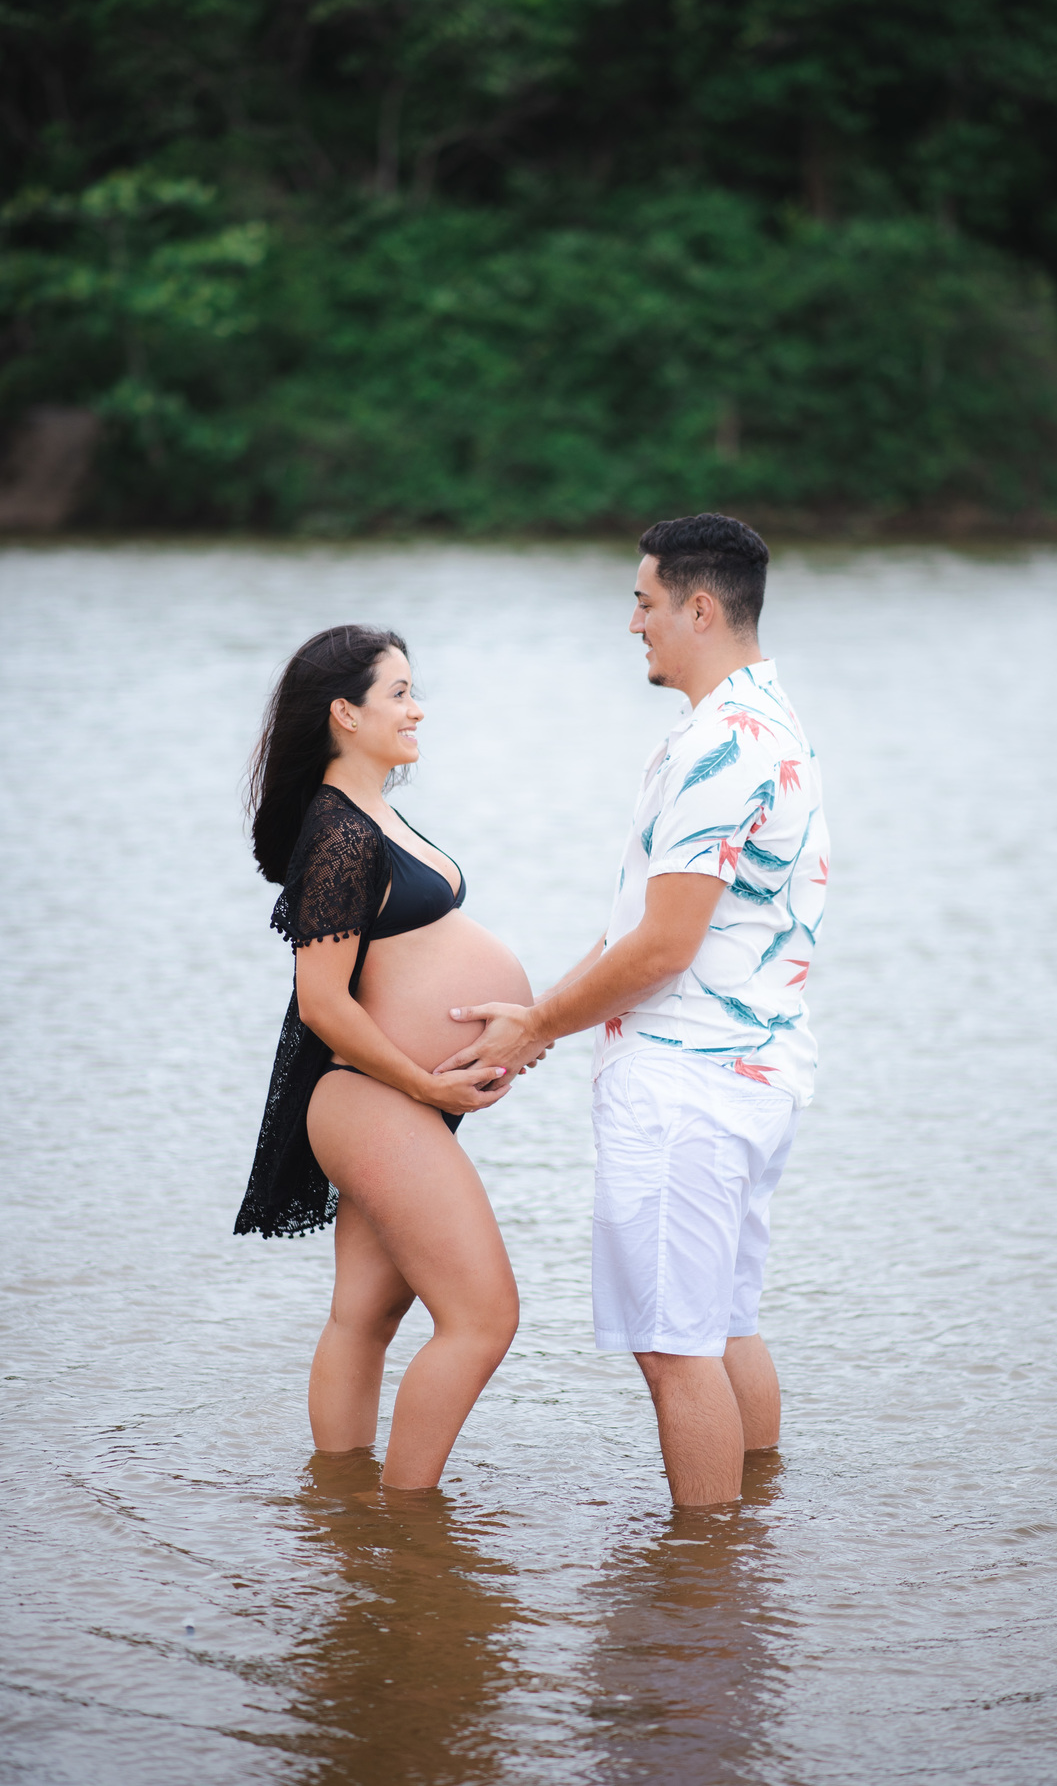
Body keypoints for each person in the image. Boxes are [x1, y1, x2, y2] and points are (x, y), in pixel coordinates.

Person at [437, 514, 829, 1507]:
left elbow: (664, 946)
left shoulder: (718, 747)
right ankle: (752, 1552)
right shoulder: (762, 724)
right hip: (750, 1073)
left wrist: (538, 1027)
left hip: (689, 1084)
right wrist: (535, 1025)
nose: (633, 624)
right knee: (724, 1322)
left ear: (700, 608)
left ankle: (703, 1607)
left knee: (673, 1346)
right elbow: (637, 930)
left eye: (645, 602)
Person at [235, 624, 533, 1491]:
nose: (417, 708)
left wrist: (507, 1036)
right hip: (375, 1097)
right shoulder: (337, 833)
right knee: (483, 1317)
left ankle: (343, 1516)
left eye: (413, 689)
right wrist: (425, 1077)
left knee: (364, 1317)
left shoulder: (374, 812)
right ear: (345, 713)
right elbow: (324, 1002)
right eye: (398, 692)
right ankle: (408, 1528)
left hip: (400, 1100)